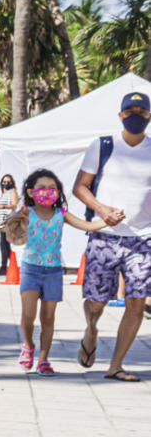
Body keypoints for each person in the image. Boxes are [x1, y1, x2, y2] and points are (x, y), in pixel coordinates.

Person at [73, 90, 151, 382]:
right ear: (120, 116)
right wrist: (101, 210)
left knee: (137, 301)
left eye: (140, 113)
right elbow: (80, 187)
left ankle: (115, 364)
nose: (135, 117)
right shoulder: (103, 146)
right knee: (95, 302)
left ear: (149, 117)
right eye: (129, 112)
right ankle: (91, 330)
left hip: (143, 239)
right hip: (104, 236)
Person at [8, 169, 116, 376]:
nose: (46, 192)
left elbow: (88, 225)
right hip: (30, 269)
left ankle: (43, 360)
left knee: (48, 318)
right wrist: (15, 220)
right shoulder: (25, 213)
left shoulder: (61, 214)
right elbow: (12, 237)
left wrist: (109, 219)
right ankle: (28, 345)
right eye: (41, 188)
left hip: (54, 272)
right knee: (28, 315)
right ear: (31, 192)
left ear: (58, 192)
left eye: (52, 188)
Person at [0, 173, 18, 276]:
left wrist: (0, 206)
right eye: (4, 182)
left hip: (9, 222)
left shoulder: (12, 192)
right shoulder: (3, 193)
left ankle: (5, 267)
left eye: (8, 182)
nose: (6, 183)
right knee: (5, 245)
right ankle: (9, 266)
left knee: (4, 245)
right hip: (2, 222)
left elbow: (14, 205)